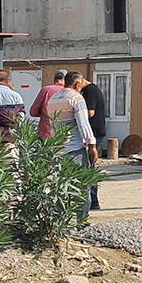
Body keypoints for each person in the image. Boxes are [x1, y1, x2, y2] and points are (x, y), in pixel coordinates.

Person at [47, 71, 97, 215]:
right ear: (77, 84)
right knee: (82, 185)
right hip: (75, 148)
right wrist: (92, 145)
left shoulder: (53, 98)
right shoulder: (76, 98)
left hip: (58, 148)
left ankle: (63, 219)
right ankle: (81, 220)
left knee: (62, 187)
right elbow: (83, 124)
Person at [81, 76, 108, 210]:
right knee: (90, 166)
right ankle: (91, 201)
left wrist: (76, 115)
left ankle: (93, 201)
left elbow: (90, 112)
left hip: (94, 133)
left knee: (89, 167)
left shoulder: (90, 90)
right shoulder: (93, 89)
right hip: (96, 133)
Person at [30, 69, 67, 139]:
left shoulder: (46, 90)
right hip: (65, 134)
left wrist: (43, 113)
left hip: (45, 133)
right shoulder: (71, 92)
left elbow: (33, 112)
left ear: (55, 79)